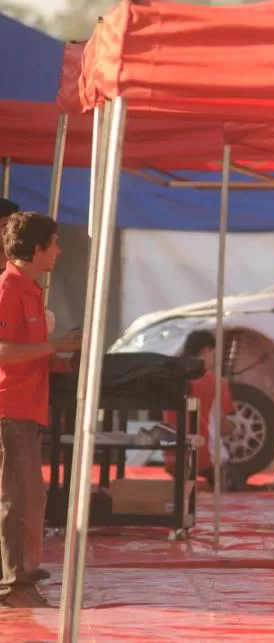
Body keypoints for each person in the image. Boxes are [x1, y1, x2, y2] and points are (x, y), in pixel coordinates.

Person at [0, 212, 81, 607]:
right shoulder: (8, 289)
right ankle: (14, 585)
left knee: (30, 498)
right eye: (53, 243)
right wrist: (58, 346)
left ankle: (22, 575)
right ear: (36, 249)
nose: (59, 250)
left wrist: (61, 354)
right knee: (18, 499)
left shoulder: (29, 289)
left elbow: (25, 352)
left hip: (26, 409)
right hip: (9, 409)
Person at [162, 330, 236, 489]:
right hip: (205, 460)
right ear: (205, 350)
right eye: (213, 355)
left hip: (172, 459)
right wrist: (236, 427)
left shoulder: (170, 378)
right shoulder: (215, 382)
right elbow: (224, 428)